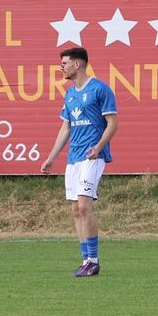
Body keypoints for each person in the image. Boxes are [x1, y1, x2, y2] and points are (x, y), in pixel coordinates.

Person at [40, 47, 116, 277]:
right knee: (75, 210)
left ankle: (93, 260)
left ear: (77, 64)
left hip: (92, 156)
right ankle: (85, 260)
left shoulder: (100, 89)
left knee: (84, 206)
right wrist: (52, 157)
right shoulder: (70, 94)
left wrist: (99, 147)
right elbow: (66, 128)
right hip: (73, 159)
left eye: (64, 63)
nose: (61, 67)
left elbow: (112, 123)